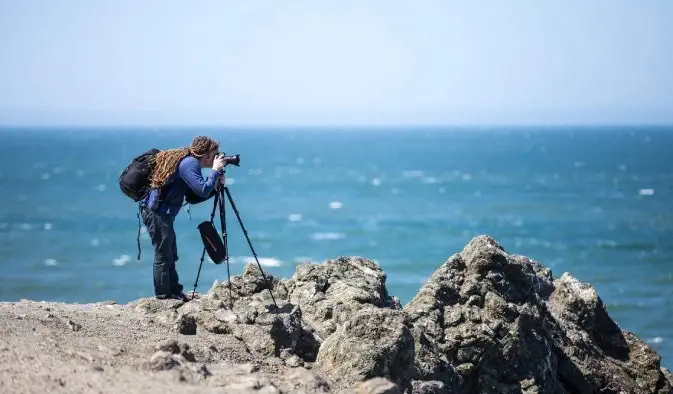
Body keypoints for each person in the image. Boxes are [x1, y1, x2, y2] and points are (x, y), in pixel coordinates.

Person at [140, 136, 226, 301]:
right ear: (206, 155)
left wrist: (215, 188)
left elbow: (193, 197)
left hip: (162, 212)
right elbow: (202, 190)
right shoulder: (190, 163)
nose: (217, 158)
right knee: (163, 254)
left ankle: (175, 291)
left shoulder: (190, 163)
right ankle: (164, 296)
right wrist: (214, 172)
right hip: (156, 212)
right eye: (215, 154)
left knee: (171, 252)